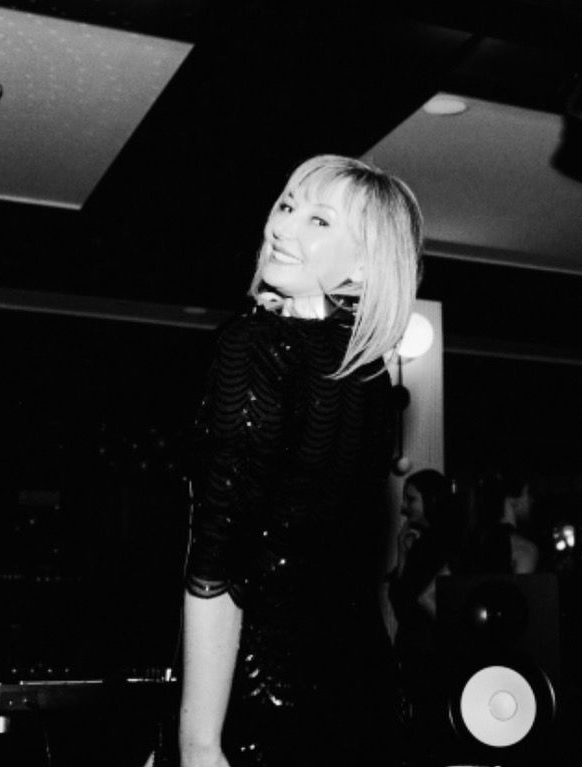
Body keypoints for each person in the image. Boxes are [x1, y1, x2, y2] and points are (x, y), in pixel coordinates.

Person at [179, 154, 423, 767]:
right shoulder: (371, 376)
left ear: (363, 266)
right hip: (365, 694)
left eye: (319, 220)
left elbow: (218, 559)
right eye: (287, 205)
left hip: (262, 695)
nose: (282, 227)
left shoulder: (255, 345)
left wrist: (198, 741)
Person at [387, 469, 462, 766]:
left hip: (429, 652)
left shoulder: (441, 544)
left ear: (431, 500)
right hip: (420, 650)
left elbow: (410, 601)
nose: (404, 508)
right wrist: (402, 551)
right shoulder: (424, 542)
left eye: (411, 500)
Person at [462, 468, 540, 575]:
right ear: (513, 499)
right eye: (528, 493)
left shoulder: (472, 544)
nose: (531, 500)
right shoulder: (524, 550)